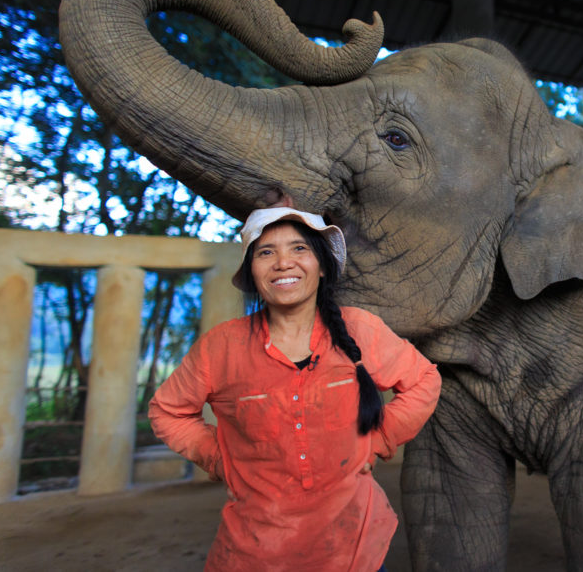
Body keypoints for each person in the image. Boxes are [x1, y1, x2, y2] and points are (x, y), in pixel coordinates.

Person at [149, 207, 441, 572]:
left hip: (354, 547)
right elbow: (167, 411)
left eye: (299, 249)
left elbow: (423, 380)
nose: (283, 263)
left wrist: (377, 441)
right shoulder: (221, 347)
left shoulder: (360, 329)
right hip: (255, 553)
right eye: (266, 252)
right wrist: (218, 457)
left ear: (321, 265)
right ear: (251, 272)